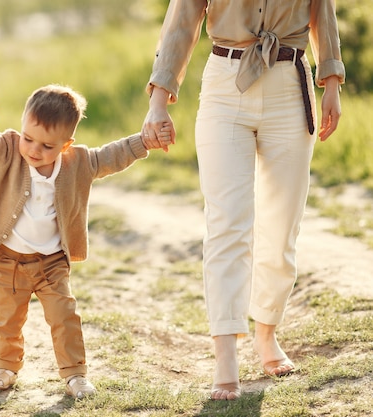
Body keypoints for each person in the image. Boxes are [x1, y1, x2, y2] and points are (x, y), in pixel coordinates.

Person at [141, 0, 344, 401]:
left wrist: (332, 84)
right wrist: (158, 101)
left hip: (290, 82)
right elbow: (183, 19)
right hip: (225, 85)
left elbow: (324, 12)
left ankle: (266, 332)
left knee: (283, 223)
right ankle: (226, 354)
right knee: (227, 223)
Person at [0, 84, 172, 399]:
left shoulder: (77, 163)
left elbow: (111, 156)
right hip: (7, 260)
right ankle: (6, 366)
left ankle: (75, 374)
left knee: (64, 317)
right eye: (28, 139)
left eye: (47, 145)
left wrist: (143, 141)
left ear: (67, 145)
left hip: (51, 263)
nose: (34, 150)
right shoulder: (4, 152)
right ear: (22, 127)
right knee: (7, 318)